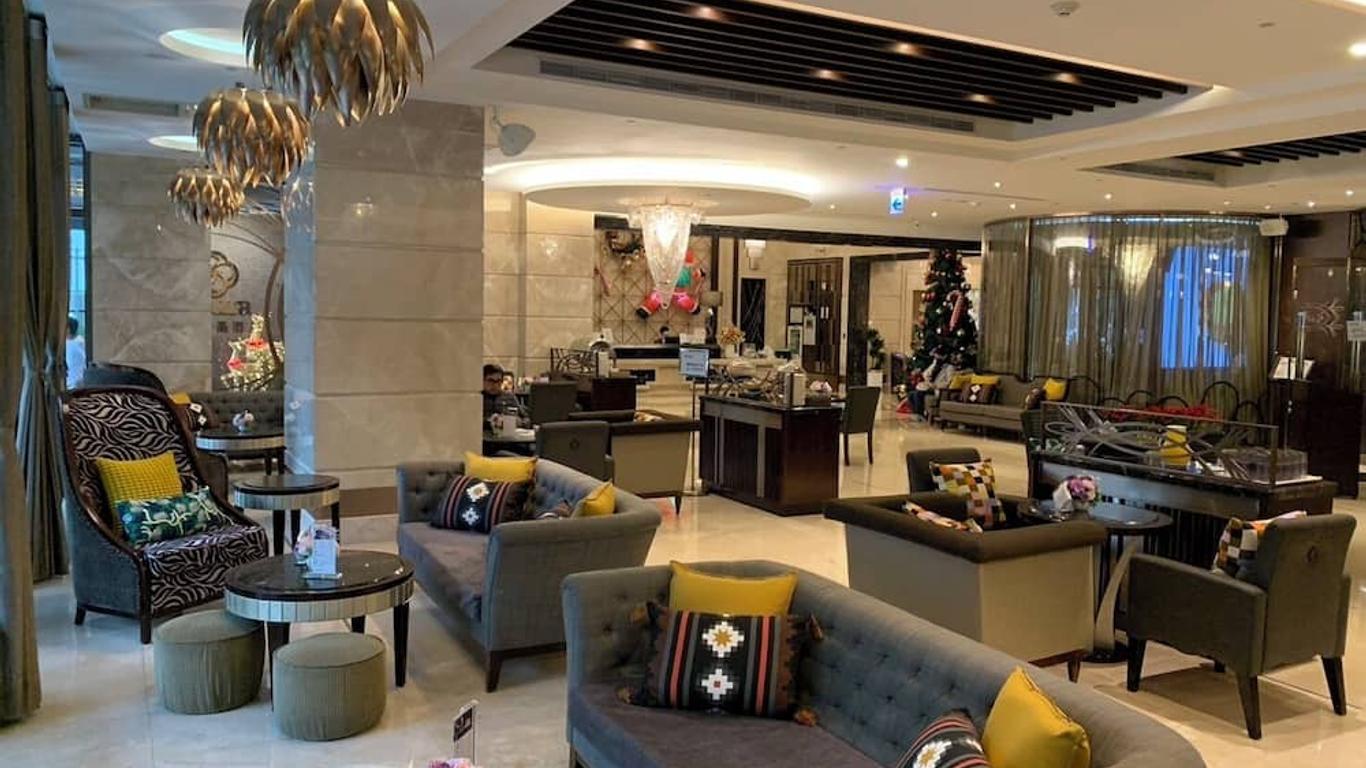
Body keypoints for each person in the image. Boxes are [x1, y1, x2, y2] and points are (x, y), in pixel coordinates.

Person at [65, 316, 86, 390]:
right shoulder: (62, 344)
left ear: (68, 329)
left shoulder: (81, 342)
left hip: (79, 382)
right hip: (66, 382)